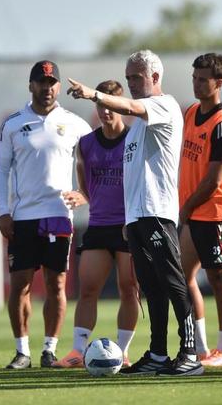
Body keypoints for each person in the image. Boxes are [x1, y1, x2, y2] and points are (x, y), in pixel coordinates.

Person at [67, 49, 203, 376]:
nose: (131, 83)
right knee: (151, 287)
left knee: (173, 281)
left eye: (136, 77)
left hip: (157, 213)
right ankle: (158, 353)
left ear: (154, 77)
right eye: (128, 77)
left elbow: (129, 106)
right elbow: (133, 173)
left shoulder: (163, 105)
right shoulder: (139, 126)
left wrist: (93, 94)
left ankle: (190, 354)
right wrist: (129, 219)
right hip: (138, 218)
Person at [0, 60, 92, 369]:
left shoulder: (75, 123)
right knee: (19, 284)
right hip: (23, 216)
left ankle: (49, 350)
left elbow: (97, 162)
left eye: (51, 83)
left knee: (56, 285)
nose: (46, 88)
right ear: (31, 85)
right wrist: (3, 212)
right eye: (41, 82)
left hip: (58, 215)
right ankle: (22, 352)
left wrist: (85, 194)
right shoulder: (13, 124)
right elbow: (0, 171)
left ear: (58, 87)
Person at [52, 80, 139, 369]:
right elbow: (85, 184)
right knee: (88, 288)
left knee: (129, 288)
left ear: (121, 105)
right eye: (100, 105)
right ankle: (78, 351)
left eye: (110, 105)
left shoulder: (134, 139)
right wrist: (86, 197)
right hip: (99, 225)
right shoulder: (87, 144)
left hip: (128, 226)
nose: (105, 111)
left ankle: (123, 352)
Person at [178, 53, 222, 367]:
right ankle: (201, 349)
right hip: (194, 212)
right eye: (195, 77)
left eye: (203, 79)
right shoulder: (191, 112)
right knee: (183, 276)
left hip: (218, 212)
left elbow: (214, 180)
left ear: (219, 83)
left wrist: (186, 207)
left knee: (219, 279)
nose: (197, 84)